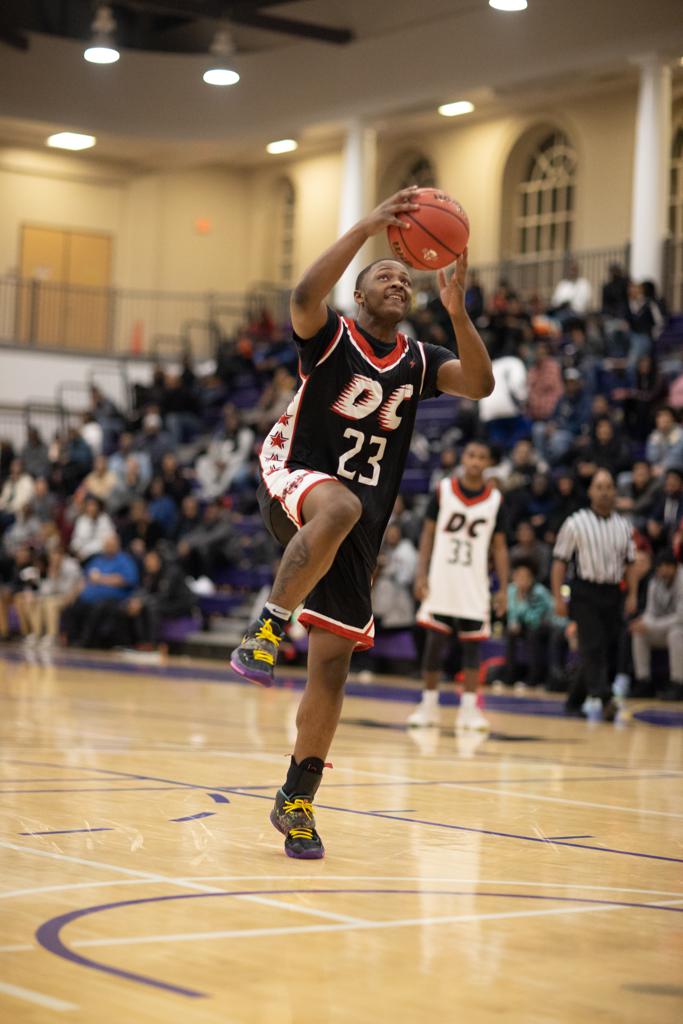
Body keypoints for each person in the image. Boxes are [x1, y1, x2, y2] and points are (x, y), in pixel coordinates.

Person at [229, 186, 494, 859]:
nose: (397, 279)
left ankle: (295, 800)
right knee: (340, 501)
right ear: (358, 293)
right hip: (296, 475)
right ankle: (266, 628)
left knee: (333, 668)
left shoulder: (419, 359)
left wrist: (458, 311)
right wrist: (367, 228)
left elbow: (480, 385)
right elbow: (300, 294)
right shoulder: (329, 337)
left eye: (405, 276)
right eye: (384, 273)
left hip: (355, 528)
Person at [407, 440, 508, 731]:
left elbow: (500, 548)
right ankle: (428, 706)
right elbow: (427, 535)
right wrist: (421, 573)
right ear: (464, 458)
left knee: (473, 647)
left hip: (474, 580)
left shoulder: (495, 500)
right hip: (442, 577)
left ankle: (469, 711)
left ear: (488, 463)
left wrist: (502, 588)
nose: (476, 461)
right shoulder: (443, 490)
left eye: (482, 457)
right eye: (471, 455)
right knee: (434, 643)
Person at [551, 469, 638, 720]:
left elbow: (631, 563)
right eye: (599, 487)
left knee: (602, 649)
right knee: (593, 644)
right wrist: (558, 597)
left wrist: (632, 594)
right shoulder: (575, 522)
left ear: (615, 491)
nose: (604, 491)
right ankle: (605, 698)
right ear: (590, 492)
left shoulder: (623, 526)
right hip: (584, 592)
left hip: (612, 592)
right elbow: (559, 561)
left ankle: (573, 701)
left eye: (609, 487)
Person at [629, 549, 683, 701]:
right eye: (658, 568)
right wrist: (643, 622)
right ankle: (643, 681)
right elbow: (650, 611)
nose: (660, 571)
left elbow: (680, 618)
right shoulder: (655, 582)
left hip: (679, 628)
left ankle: (678, 683)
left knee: (676, 633)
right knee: (639, 632)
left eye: (663, 567)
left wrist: (652, 625)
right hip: (663, 628)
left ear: (673, 566)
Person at [503, 559, 557, 689]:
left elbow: (535, 618)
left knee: (533, 634)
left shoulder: (539, 592)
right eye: (517, 575)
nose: (520, 579)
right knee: (510, 633)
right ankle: (509, 676)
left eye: (524, 576)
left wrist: (522, 603)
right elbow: (511, 611)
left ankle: (534, 678)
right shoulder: (511, 590)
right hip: (525, 624)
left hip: (546, 624)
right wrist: (513, 622)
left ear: (531, 578)